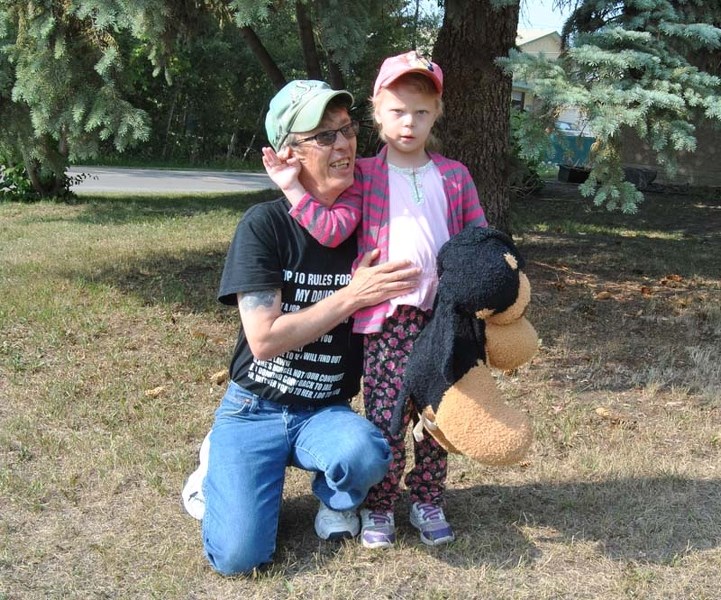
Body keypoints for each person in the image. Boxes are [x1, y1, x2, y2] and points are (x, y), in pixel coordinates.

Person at [181, 79, 422, 576]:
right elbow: (264, 340)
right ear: (291, 153)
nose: (344, 145)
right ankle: (217, 465)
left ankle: (335, 496)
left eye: (347, 130)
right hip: (254, 407)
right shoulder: (264, 225)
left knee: (366, 452)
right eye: (325, 137)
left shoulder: (368, 222)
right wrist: (353, 295)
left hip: (324, 411)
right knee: (240, 558)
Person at [262, 51, 488, 550]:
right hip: (387, 324)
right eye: (397, 111)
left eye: (422, 112)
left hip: (442, 321)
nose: (410, 123)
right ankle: (380, 506)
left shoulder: (454, 175)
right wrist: (292, 189)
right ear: (377, 111)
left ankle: (427, 499)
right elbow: (333, 226)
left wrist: (488, 291)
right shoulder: (364, 174)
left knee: (437, 419)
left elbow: (478, 241)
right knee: (386, 416)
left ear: (437, 114)